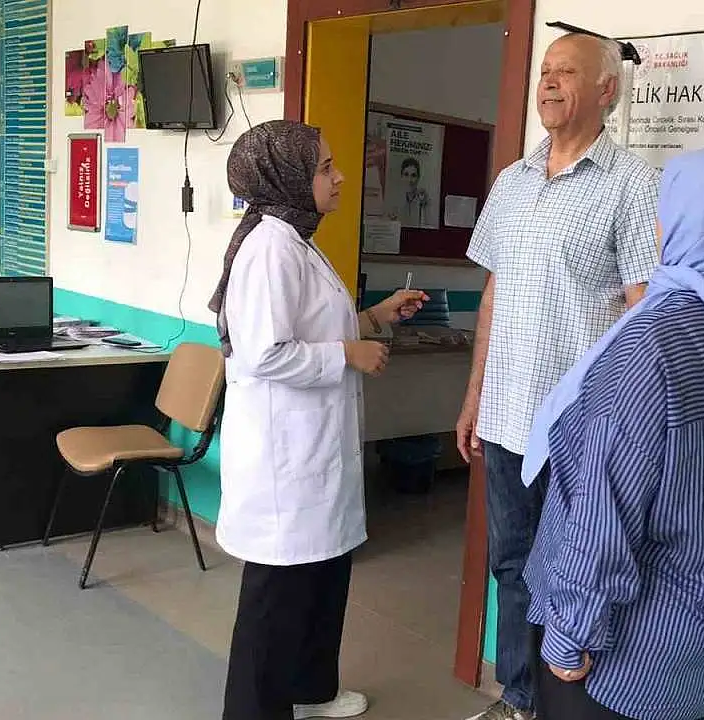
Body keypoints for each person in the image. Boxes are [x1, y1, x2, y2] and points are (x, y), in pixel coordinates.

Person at [520, 148, 704, 720]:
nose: (657, 226)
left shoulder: (652, 342)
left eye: (666, 213)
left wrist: (571, 631)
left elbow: (602, 509)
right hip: (701, 643)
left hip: (619, 659)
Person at [459, 31, 660, 720]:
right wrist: (473, 396)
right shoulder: (511, 182)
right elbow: (493, 295)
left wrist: (627, 422)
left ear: (606, 90)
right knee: (512, 567)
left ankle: (563, 707)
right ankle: (519, 700)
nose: (547, 82)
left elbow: (643, 309)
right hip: (506, 415)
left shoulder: (633, 183)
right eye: (545, 71)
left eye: (566, 72)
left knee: (576, 575)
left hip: (579, 428)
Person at [209, 120, 427, 720]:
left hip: (315, 450)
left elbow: (314, 325)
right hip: (285, 460)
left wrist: (376, 316)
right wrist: (347, 355)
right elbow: (264, 352)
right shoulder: (270, 248)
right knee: (277, 597)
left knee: (322, 578)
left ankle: (310, 690)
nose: (339, 177)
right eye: (325, 167)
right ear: (286, 176)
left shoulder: (297, 238)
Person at [396, 157, 431, 227]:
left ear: (418, 178)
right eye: (406, 174)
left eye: (413, 175)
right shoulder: (395, 203)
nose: (409, 180)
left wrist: (423, 208)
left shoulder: (425, 201)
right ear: (401, 176)